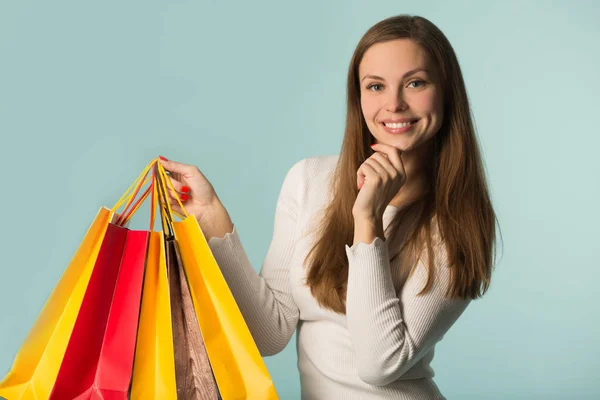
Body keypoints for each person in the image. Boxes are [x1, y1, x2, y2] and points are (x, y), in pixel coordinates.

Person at [159, 14, 498, 400]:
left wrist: (368, 219)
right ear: (358, 97)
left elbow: (380, 365)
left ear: (447, 92)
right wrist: (211, 217)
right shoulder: (309, 180)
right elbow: (270, 333)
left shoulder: (458, 223)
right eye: (375, 86)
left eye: (415, 83)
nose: (394, 104)